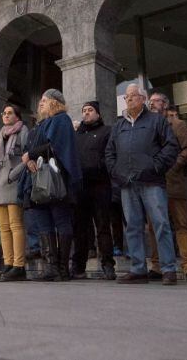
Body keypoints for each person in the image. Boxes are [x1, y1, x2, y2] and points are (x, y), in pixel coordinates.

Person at [105, 84, 179, 284]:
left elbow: (171, 147)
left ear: (143, 99)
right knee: (133, 227)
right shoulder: (118, 126)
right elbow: (109, 153)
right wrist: (116, 172)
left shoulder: (156, 121)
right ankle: (138, 269)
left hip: (152, 182)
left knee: (161, 224)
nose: (129, 99)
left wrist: (155, 167)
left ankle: (168, 269)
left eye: (133, 96)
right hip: (127, 184)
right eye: (126, 97)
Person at [19, 90, 82, 282]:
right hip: (39, 181)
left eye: (45, 100)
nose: (40, 104)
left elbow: (55, 146)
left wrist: (30, 155)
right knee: (43, 223)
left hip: (56, 180)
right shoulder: (42, 124)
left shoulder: (61, 120)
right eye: (40, 101)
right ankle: (51, 267)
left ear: (56, 102)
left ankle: (63, 268)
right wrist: (30, 159)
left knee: (61, 221)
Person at [149, 91, 187, 255]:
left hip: (178, 178)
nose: (152, 104)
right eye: (150, 101)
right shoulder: (150, 126)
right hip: (157, 180)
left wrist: (174, 165)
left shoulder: (177, 125)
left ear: (165, 104)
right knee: (161, 219)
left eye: (156, 101)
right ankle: (169, 252)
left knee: (186, 216)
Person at [73, 101, 116, 281]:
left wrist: (100, 167)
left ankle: (107, 265)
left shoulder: (107, 131)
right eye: (84, 111)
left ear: (98, 114)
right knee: (80, 229)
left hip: (100, 186)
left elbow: (110, 155)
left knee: (103, 227)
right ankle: (79, 267)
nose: (86, 113)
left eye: (90, 110)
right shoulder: (77, 135)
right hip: (81, 187)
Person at [0, 104, 30, 281]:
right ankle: (8, 263)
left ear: (17, 116)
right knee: (3, 228)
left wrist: (14, 174)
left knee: (15, 225)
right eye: (4, 113)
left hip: (12, 184)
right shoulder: (1, 135)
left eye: (10, 113)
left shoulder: (23, 131)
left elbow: (27, 156)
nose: (6, 115)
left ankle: (19, 266)